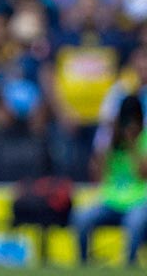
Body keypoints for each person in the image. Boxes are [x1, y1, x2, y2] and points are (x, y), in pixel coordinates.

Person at [72, 95, 147, 267]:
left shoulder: (144, 139)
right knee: (81, 218)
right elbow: (96, 174)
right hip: (111, 200)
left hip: (139, 201)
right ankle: (84, 264)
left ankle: (129, 264)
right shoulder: (111, 139)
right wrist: (107, 141)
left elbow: (143, 173)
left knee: (135, 223)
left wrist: (132, 144)